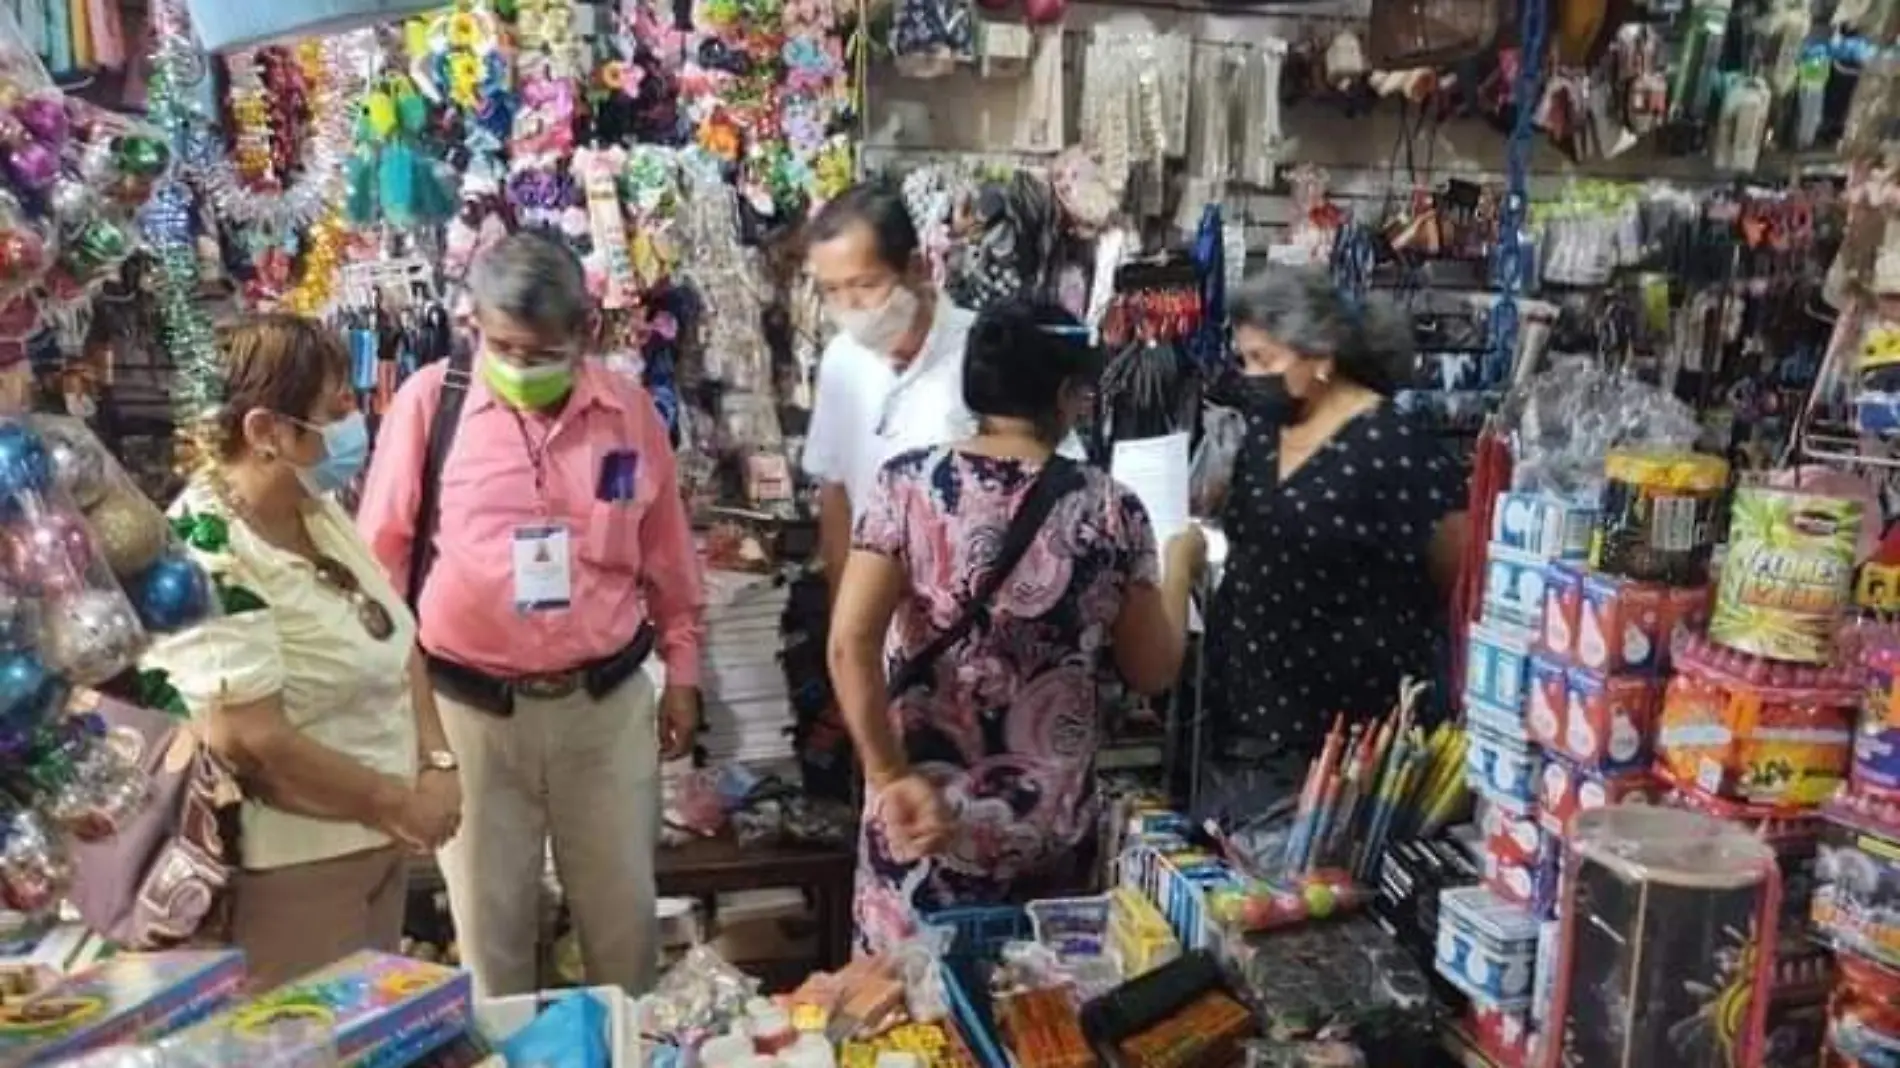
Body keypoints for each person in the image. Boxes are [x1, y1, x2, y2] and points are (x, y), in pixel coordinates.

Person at [357, 232, 705, 997]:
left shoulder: (629, 413)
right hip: (469, 716)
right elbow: (377, 568)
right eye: (502, 345)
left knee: (624, 932)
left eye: (540, 349)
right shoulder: (428, 405)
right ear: (473, 325)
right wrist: (403, 726)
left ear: (585, 331)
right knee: (491, 937)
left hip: (604, 710)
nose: (519, 365)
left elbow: (669, 555)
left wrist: (683, 672)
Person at [827, 299, 1205, 954]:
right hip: (1045, 837)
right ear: (1066, 394)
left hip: (920, 820)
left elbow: (847, 644)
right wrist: (1179, 567)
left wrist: (888, 776)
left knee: (907, 1026)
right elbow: (1154, 669)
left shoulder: (907, 487)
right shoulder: (1111, 509)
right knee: (1035, 1022)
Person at [140, 314, 462, 989]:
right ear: (264, 431)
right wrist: (395, 804)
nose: (353, 417)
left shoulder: (315, 510)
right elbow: (249, 738)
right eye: (333, 406)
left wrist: (436, 764)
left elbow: (396, 636)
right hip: (291, 870)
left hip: (380, 847)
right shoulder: (206, 551)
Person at [1204, 269, 1469, 794]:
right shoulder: (1265, 432)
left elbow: (1457, 584)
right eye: (1245, 359)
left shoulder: (1396, 445)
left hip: (1342, 746)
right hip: (1244, 721)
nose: (1250, 375)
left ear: (1321, 356)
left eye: (1264, 359)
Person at [803, 180, 977, 604]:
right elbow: (835, 492)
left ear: (915, 268)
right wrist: (847, 626)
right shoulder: (842, 362)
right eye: (832, 290)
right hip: (880, 626)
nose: (849, 305)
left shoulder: (984, 353)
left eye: (864, 285)